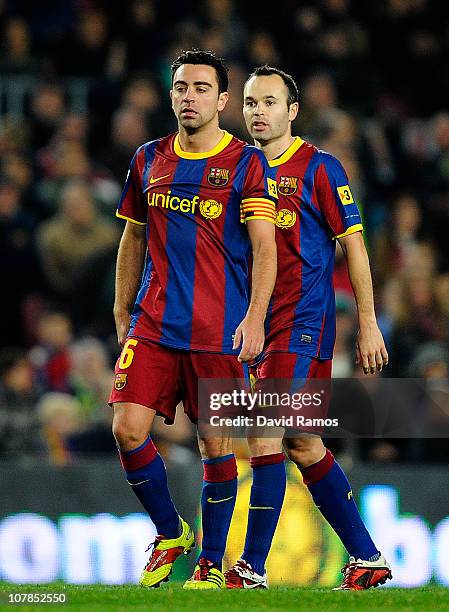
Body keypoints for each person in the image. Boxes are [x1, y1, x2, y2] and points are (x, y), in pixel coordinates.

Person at [108, 50, 277, 590]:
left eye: (202, 88)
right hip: (154, 321)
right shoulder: (148, 158)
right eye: (181, 87)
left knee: (216, 445)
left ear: (223, 100)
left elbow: (265, 246)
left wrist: (255, 317)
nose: (189, 97)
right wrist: (120, 307)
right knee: (126, 428)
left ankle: (210, 560)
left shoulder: (247, 163)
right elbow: (133, 236)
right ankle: (170, 532)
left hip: (218, 327)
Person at [223, 65, 392, 590]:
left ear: (292, 111)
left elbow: (355, 248)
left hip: (300, 324)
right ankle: (366, 557)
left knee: (264, 431)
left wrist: (367, 322)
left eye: (270, 102)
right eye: (251, 102)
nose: (258, 112)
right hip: (257, 325)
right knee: (303, 443)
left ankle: (250, 567)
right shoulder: (234, 169)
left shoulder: (319, 168)